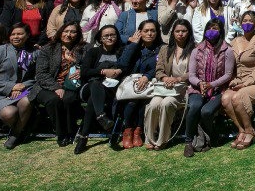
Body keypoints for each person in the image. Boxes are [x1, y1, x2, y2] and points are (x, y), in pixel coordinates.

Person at [183, 18, 235, 157]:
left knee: (206, 111)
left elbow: (228, 74)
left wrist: (211, 84)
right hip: (197, 88)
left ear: (221, 32)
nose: (212, 31)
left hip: (218, 89)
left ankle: (207, 137)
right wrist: (200, 84)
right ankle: (188, 142)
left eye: (216, 29)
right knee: (194, 107)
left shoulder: (227, 50)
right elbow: (192, 74)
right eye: (210, 28)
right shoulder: (197, 50)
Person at [72, 24, 127, 154]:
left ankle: (84, 136)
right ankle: (101, 116)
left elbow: (127, 67)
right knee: (96, 85)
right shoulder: (93, 52)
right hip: (89, 87)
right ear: (100, 39)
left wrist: (118, 70)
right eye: (106, 36)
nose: (109, 38)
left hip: (110, 89)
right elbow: (84, 72)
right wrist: (103, 71)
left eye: (112, 35)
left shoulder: (122, 51)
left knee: (93, 100)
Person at [0, 23, 37, 150]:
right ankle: (27, 123)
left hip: (24, 89)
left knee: (26, 101)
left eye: (20, 34)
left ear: (27, 35)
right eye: (13, 34)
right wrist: (12, 87)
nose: (16, 37)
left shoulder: (34, 53)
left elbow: (37, 77)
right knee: (9, 114)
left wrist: (22, 86)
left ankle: (16, 134)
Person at [220, 11, 255, 151]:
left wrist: (246, 84)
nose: (247, 23)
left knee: (238, 97)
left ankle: (250, 130)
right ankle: (241, 130)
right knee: (226, 98)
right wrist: (234, 80)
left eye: (250, 21)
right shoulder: (235, 41)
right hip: (239, 80)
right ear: (240, 23)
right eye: (244, 20)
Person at [33, 21, 87, 147]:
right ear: (60, 32)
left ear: (78, 34)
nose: (69, 34)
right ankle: (60, 132)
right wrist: (56, 87)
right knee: (54, 100)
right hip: (47, 85)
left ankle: (70, 131)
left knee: (69, 99)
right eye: (66, 31)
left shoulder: (84, 49)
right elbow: (41, 73)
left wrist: (75, 62)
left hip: (71, 85)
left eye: (73, 32)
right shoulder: (48, 49)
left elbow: (87, 67)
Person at [145, 18, 194, 150]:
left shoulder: (195, 49)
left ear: (189, 32)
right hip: (165, 87)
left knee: (167, 103)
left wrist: (179, 79)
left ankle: (162, 139)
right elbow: (159, 69)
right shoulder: (165, 49)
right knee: (153, 105)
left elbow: (195, 72)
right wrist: (165, 78)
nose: (180, 34)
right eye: (177, 31)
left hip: (184, 88)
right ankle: (150, 138)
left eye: (184, 31)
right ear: (173, 33)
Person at [116, 20, 163, 149]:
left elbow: (161, 67)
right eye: (146, 31)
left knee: (143, 102)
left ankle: (138, 131)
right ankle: (128, 131)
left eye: (152, 31)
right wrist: (133, 45)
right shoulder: (132, 46)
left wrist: (147, 76)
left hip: (150, 84)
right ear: (139, 32)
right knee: (132, 102)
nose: (149, 33)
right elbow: (123, 65)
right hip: (130, 85)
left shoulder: (162, 48)